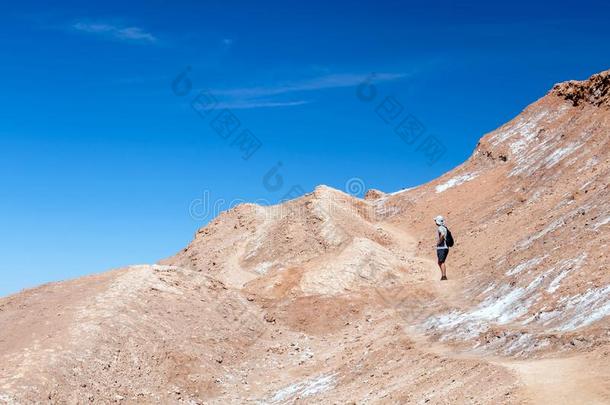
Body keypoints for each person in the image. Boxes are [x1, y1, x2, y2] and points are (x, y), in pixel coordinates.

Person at [434, 215, 449, 280]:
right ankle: (443, 275)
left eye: (435, 221)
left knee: (441, 261)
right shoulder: (444, 227)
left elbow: (442, 235)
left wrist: (439, 242)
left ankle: (444, 276)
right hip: (445, 247)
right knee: (440, 262)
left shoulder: (440, 228)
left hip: (442, 247)